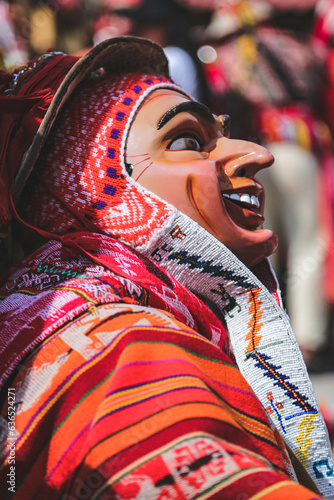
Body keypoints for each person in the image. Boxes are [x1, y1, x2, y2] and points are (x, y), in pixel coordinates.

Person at [0, 36, 333, 500]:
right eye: (187, 141)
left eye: (222, 133)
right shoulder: (124, 351)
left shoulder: (59, 316)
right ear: (102, 190)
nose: (257, 154)